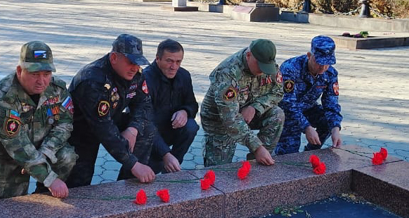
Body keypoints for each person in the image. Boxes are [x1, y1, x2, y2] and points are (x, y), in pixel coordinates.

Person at [0, 42, 77, 202]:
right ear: (20, 71)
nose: (41, 81)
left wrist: (46, 152)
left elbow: (65, 124)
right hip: (4, 155)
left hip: (40, 147)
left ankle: (42, 200)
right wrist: (50, 178)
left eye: (46, 74)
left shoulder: (57, 89)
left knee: (67, 156)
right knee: (9, 205)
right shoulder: (1, 98)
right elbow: (17, 145)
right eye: (35, 74)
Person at [67, 34, 156, 187]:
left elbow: (144, 104)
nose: (135, 68)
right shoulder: (92, 79)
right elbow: (103, 129)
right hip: (80, 131)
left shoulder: (134, 73)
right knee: (79, 182)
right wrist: (134, 164)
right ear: (114, 58)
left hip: (109, 119)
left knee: (146, 129)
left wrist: (133, 129)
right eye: (130, 62)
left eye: (138, 63)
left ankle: (129, 185)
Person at [200, 39, 284, 166]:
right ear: (248, 55)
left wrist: (256, 107)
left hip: (248, 114)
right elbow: (230, 119)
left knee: (277, 114)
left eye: (265, 67)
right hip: (220, 121)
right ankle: (258, 153)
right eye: (259, 65)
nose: (262, 71)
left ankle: (255, 165)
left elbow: (278, 92)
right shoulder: (227, 72)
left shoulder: (267, 63)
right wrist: (257, 147)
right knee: (219, 171)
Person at [275, 36, 343, 155]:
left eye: (327, 63)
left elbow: (331, 103)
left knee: (328, 122)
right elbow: (287, 103)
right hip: (286, 113)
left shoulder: (330, 74)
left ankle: (310, 153)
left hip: (308, 108)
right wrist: (307, 128)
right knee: (289, 155)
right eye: (319, 62)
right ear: (309, 55)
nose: (323, 67)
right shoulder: (290, 68)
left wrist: (336, 128)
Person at [143, 39, 199, 173]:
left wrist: (185, 111)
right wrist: (165, 153)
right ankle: (165, 161)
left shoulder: (184, 75)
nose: (174, 66)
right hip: (148, 135)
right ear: (158, 59)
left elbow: (192, 104)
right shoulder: (145, 79)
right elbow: (143, 122)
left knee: (191, 126)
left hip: (171, 128)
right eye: (169, 61)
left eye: (178, 62)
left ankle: (172, 166)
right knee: (146, 175)